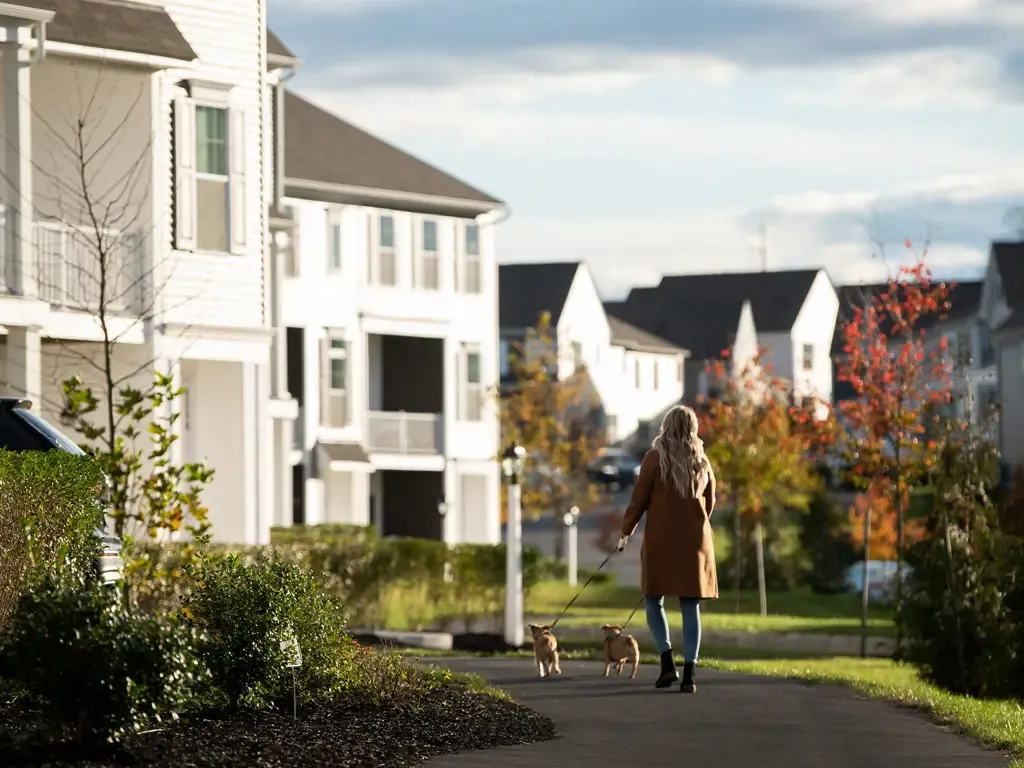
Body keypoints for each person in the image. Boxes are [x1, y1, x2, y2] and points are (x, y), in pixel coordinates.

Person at [616, 404, 718, 693]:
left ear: (666, 426)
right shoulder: (703, 461)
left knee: (653, 599)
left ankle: (666, 662)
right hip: (695, 541)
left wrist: (626, 531)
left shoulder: (654, 459)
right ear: (693, 428)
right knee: (690, 604)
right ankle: (689, 675)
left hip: (661, 539)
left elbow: (638, 500)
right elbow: (709, 504)